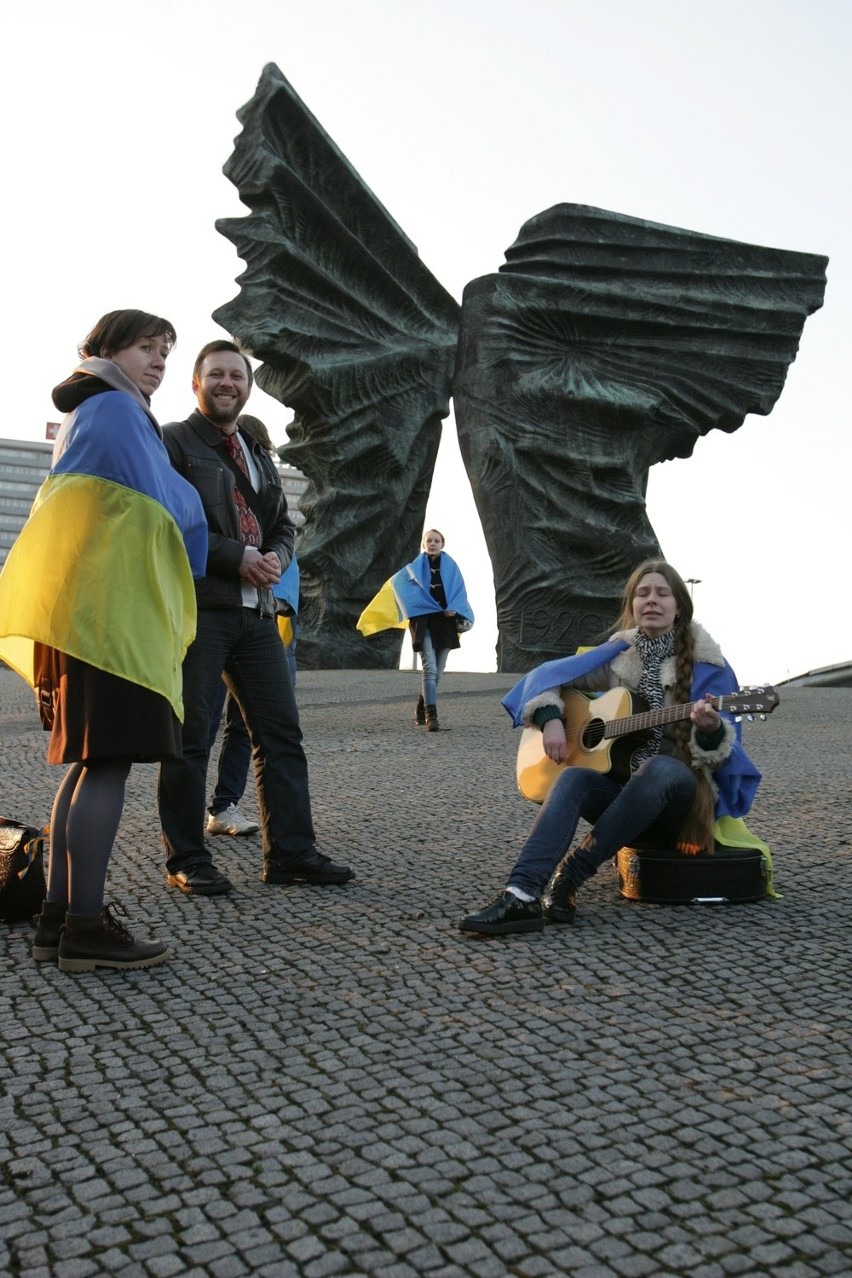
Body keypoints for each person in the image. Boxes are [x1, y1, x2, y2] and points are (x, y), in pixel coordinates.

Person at [0, 309, 207, 971]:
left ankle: (60, 915)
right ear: (106, 348)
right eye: (147, 347)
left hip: (85, 619)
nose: (159, 362)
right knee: (108, 764)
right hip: (110, 622)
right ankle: (84, 924)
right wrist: (195, 508)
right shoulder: (115, 413)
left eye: (165, 353)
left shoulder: (89, 412)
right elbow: (163, 510)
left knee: (91, 764)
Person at [460, 559, 762, 936]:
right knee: (572, 779)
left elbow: (723, 753)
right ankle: (521, 894)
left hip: (681, 810)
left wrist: (712, 729)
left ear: (679, 606)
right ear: (632, 605)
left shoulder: (708, 665)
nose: (651, 600)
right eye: (642, 593)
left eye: (662, 593)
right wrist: (551, 718)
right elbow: (546, 677)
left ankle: (571, 874)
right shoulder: (618, 655)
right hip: (626, 801)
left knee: (661, 768)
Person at [157, 340, 353, 895]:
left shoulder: (254, 446)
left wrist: (274, 560)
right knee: (190, 738)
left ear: (247, 385)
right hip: (201, 610)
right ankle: (187, 859)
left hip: (257, 614)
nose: (227, 383)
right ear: (196, 384)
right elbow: (166, 522)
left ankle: (290, 853)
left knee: (280, 734)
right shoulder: (172, 441)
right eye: (215, 374)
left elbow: (283, 525)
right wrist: (232, 556)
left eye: (236, 376)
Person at [357, 529, 474, 731]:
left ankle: (421, 707)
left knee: (438, 670)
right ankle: (432, 717)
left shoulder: (452, 567)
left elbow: (459, 592)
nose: (433, 544)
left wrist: (454, 610)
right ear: (424, 544)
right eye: (429, 540)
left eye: (437, 541)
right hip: (423, 622)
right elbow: (400, 587)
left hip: (445, 623)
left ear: (442, 544)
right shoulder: (412, 570)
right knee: (429, 667)